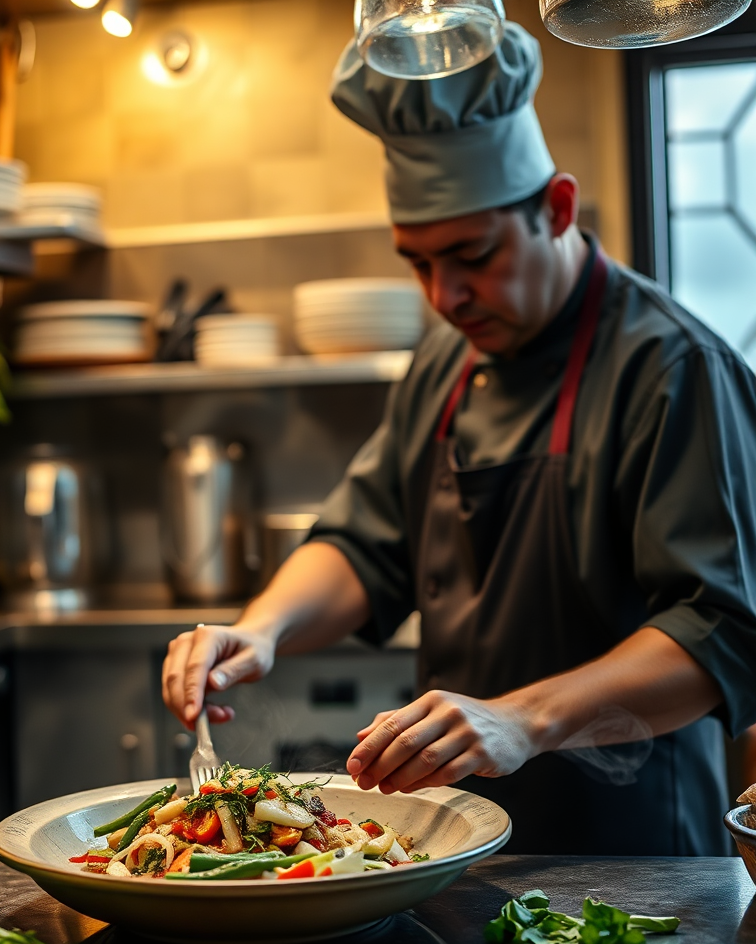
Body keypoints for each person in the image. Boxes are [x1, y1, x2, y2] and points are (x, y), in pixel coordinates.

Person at [161, 22, 756, 856]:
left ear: (556, 209)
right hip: (451, 847)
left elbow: (723, 631)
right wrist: (262, 629)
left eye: (472, 256)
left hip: (633, 854)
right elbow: (367, 547)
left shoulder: (672, 367)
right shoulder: (448, 358)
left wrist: (522, 719)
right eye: (418, 263)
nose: (445, 295)